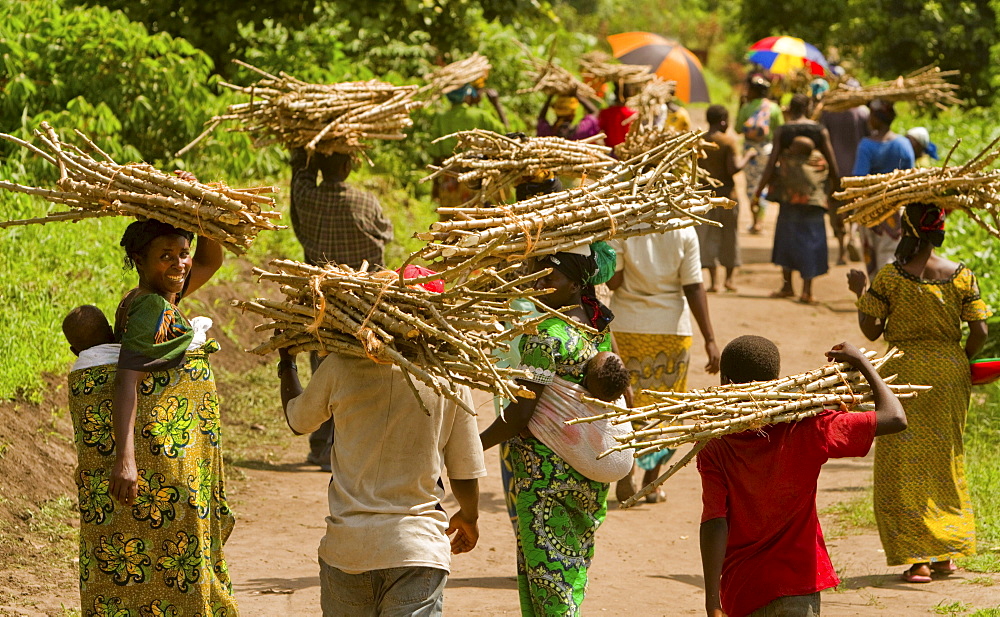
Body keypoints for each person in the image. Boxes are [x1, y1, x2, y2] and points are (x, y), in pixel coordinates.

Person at [79, 219, 236, 616]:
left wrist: (199, 211)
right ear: (138, 259)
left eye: (182, 254)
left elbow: (211, 259)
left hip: (167, 457)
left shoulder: (162, 296)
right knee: (171, 551)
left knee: (164, 553)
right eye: (165, 256)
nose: (180, 264)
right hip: (157, 460)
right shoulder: (151, 305)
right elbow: (127, 381)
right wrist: (125, 459)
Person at [277, 330, 485, 616]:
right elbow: (464, 468)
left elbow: (298, 420)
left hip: (348, 546)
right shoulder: (446, 377)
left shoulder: (339, 366)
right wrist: (469, 516)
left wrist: (286, 363)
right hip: (417, 547)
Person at [699, 336, 907, 617]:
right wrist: (862, 362)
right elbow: (895, 418)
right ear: (775, 381)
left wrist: (713, 602)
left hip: (743, 587)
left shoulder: (716, 444)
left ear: (725, 382)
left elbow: (715, 521)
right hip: (798, 582)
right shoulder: (808, 427)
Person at [848, 202, 991, 583]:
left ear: (907, 230)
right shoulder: (961, 276)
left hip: (902, 376)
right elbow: (980, 332)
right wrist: (957, 359)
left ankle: (919, 560)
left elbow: (872, 331)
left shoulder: (890, 277)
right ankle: (946, 554)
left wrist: (861, 291)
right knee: (946, 459)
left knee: (903, 464)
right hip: (949, 374)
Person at [480, 244, 617, 616]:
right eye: (536, 277)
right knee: (568, 568)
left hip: (546, 476)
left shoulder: (546, 335)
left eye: (549, 278)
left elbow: (522, 411)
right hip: (586, 470)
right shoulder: (595, 327)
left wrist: (471, 448)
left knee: (548, 579)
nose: (539, 286)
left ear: (574, 284)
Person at [290, 146, 394, 470]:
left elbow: (299, 180)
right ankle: (348, 443)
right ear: (349, 165)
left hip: (323, 298)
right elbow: (386, 234)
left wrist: (305, 154)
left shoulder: (307, 198)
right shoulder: (367, 201)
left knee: (322, 364)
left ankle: (322, 445)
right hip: (365, 299)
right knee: (361, 364)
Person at [609, 228, 721, 503]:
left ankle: (627, 469)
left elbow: (614, 281)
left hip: (628, 326)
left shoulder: (627, 225)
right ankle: (652, 482)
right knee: (665, 409)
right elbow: (694, 285)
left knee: (627, 404)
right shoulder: (684, 229)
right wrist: (710, 339)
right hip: (671, 329)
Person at [757, 94, 840, 304]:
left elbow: (771, 162)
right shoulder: (819, 130)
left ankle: (787, 286)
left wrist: (758, 191)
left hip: (789, 195)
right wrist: (838, 190)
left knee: (787, 238)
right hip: (814, 195)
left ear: (790, 109)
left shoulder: (784, 131)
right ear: (809, 107)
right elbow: (832, 161)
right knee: (812, 240)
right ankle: (807, 291)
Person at [852, 99, 915, 275]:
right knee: (891, 253)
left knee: (872, 255)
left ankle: (879, 296)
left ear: (876, 118)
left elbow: (858, 180)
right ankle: (892, 294)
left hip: (871, 210)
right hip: (897, 208)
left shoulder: (866, 145)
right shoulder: (904, 144)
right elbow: (910, 178)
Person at [699, 105, 756, 293]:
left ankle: (714, 281)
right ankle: (729, 280)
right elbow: (734, 168)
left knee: (709, 238)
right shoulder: (728, 142)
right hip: (726, 197)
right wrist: (748, 155)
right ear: (723, 120)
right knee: (729, 237)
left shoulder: (699, 141)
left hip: (705, 196)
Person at [429, 84, 508, 207]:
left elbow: (436, 155)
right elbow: (506, 135)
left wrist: (435, 184)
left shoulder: (441, 119)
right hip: (477, 176)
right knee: (481, 219)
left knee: (451, 221)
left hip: (450, 178)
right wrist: (496, 105)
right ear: (467, 95)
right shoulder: (480, 116)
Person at [820, 80, 870, 265]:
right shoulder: (863, 113)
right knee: (856, 207)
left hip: (835, 172)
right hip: (859, 171)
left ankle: (841, 251)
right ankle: (853, 235)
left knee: (837, 209)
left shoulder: (828, 112)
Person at [737, 76, 784, 233]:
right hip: (767, 151)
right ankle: (760, 221)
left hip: (750, 152)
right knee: (762, 186)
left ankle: (754, 219)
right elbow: (780, 130)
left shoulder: (746, 107)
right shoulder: (774, 108)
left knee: (751, 186)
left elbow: (737, 128)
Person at [598, 81, 637, 150]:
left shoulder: (605, 113)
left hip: (610, 151)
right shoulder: (633, 113)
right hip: (628, 151)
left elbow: (598, 129)